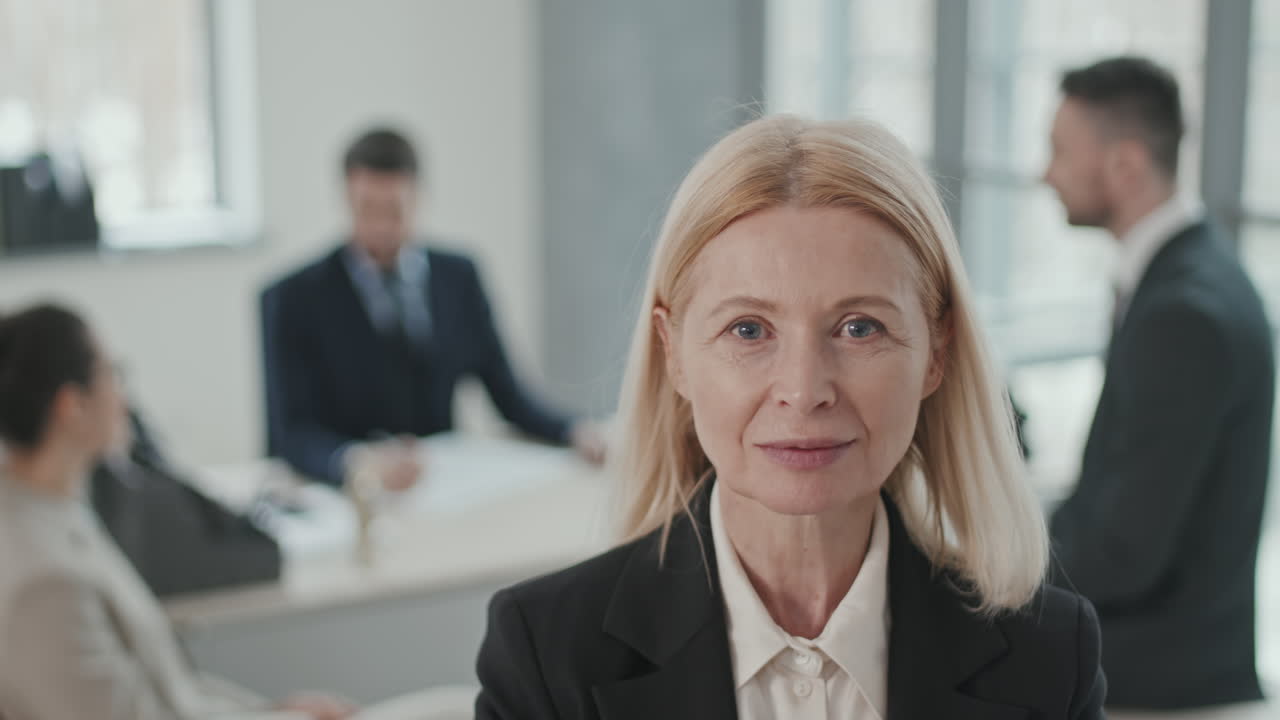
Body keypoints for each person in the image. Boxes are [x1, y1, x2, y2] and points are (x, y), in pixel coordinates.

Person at [474, 115, 1106, 719]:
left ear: (936, 354)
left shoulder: (1049, 655)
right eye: (748, 329)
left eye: (860, 328)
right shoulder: (546, 654)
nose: (804, 392)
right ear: (676, 356)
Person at [1044, 57, 1274, 718]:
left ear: (1126, 165)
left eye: (1061, 151)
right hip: (1169, 655)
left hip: (1163, 680)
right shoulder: (1188, 275)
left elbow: (1124, 552)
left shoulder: (1185, 312)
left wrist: (997, 571)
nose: (1046, 173)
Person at [0, 303, 355, 720]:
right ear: (71, 405)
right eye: (112, 373)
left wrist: (266, 708)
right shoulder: (44, 580)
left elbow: (162, 688)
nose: (122, 393)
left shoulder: (58, 512)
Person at [262, 128, 605, 488]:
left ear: (419, 197)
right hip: (343, 494)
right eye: (367, 208)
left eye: (394, 209)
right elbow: (290, 432)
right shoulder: (294, 297)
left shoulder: (458, 278)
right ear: (346, 198)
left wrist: (572, 431)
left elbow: (507, 392)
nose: (380, 226)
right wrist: (356, 462)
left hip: (436, 486)